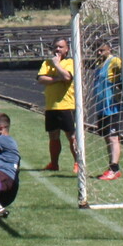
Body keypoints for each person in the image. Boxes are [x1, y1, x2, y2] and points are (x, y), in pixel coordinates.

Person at [37, 37, 79, 173]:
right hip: (51, 106)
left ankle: (77, 163)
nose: (58, 49)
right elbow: (41, 78)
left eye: (61, 47)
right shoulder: (46, 63)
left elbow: (67, 77)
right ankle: (54, 164)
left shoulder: (71, 62)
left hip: (67, 105)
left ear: (67, 49)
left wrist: (57, 66)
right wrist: (57, 78)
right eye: (55, 47)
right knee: (53, 136)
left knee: (71, 136)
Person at [87, 40, 123, 181]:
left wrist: (119, 88)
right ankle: (113, 167)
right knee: (107, 138)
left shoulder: (114, 61)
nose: (98, 53)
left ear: (109, 49)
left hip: (112, 105)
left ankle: (114, 169)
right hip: (101, 106)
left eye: (102, 50)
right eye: (96, 50)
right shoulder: (98, 64)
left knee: (113, 137)